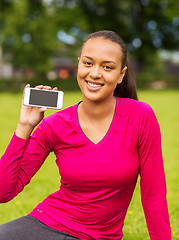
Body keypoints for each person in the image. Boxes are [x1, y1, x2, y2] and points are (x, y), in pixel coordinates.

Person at [0, 30, 171, 240]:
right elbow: (3, 192)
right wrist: (24, 126)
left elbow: (153, 195)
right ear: (78, 64)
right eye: (88, 63)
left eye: (107, 67)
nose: (95, 73)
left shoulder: (140, 116)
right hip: (46, 225)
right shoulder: (54, 126)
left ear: (121, 74)